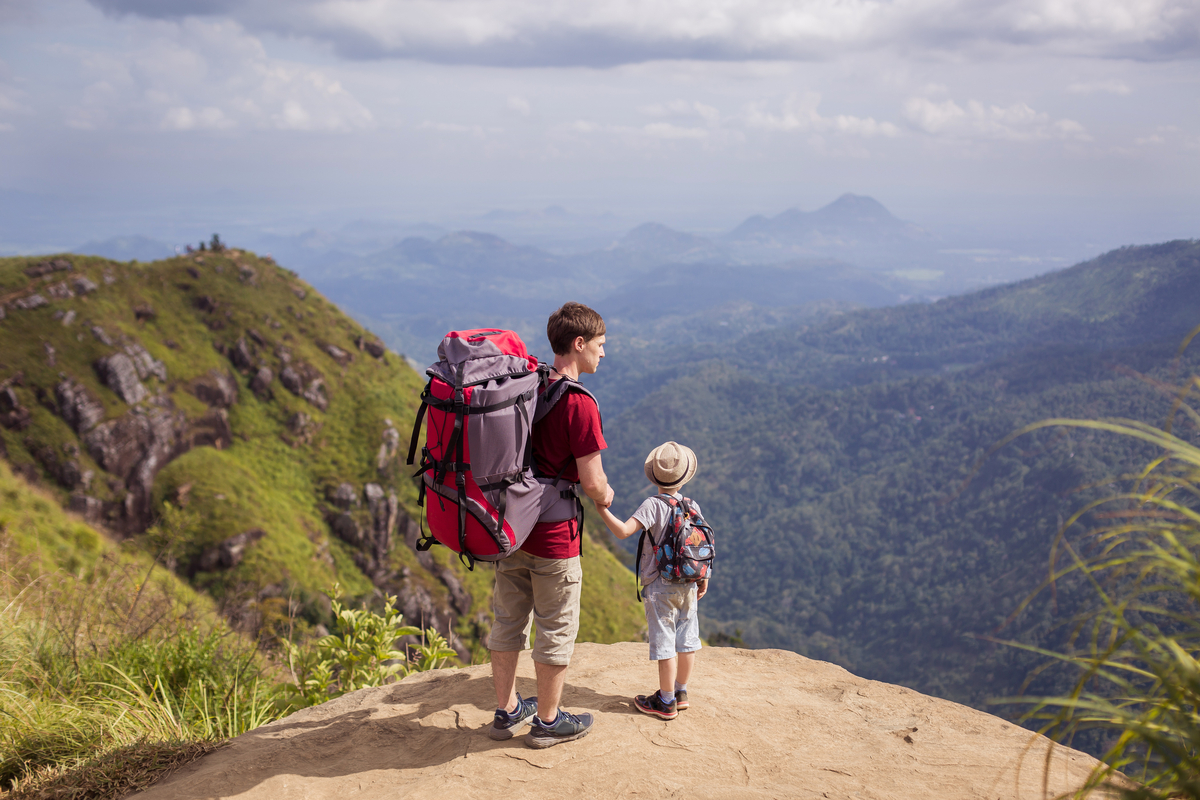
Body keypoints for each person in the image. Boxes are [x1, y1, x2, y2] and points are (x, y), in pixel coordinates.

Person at [488, 302, 614, 748]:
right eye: (599, 345)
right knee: (555, 627)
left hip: (509, 529)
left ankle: (505, 712)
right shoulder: (579, 405)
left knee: (508, 621)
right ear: (578, 345)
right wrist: (605, 496)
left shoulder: (528, 386)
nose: (603, 354)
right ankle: (547, 720)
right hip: (555, 539)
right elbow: (593, 481)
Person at [593, 441, 708, 721]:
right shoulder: (691, 505)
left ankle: (665, 701)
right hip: (689, 582)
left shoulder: (652, 505)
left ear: (654, 476)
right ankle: (681, 693)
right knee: (687, 638)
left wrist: (601, 509)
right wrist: (703, 578)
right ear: (685, 475)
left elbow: (622, 531)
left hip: (660, 584)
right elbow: (700, 544)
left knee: (665, 641)